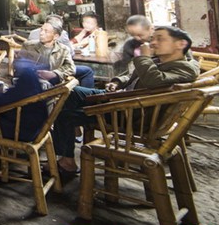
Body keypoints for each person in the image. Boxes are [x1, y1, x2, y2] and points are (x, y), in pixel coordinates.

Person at [53, 26, 199, 175]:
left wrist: (143, 57)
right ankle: (71, 136)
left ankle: (67, 161)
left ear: (181, 44)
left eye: (160, 39)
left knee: (64, 114)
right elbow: (133, 76)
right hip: (123, 96)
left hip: (130, 112)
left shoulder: (185, 69)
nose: (153, 43)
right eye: (153, 38)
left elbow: (152, 80)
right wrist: (117, 82)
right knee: (72, 92)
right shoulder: (160, 60)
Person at [27, 15, 93, 87]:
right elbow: (71, 54)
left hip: (33, 71)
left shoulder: (33, 32)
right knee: (87, 71)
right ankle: (85, 95)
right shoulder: (61, 33)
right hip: (50, 72)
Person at [20, 19, 75, 84]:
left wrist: (54, 73)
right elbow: (20, 67)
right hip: (32, 83)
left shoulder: (63, 50)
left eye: (46, 31)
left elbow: (71, 68)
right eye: (41, 30)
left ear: (55, 36)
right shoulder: (28, 46)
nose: (41, 33)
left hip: (54, 85)